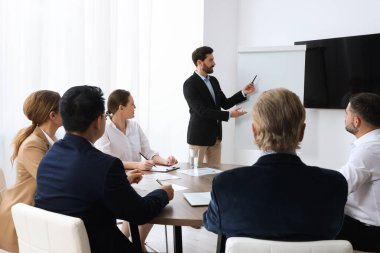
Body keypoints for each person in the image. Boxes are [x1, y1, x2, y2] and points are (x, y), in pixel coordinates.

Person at [34, 86, 174, 253]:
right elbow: (141, 213)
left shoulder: (48, 158)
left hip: (56, 246)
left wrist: (121, 182)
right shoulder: (105, 166)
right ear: (99, 121)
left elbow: (80, 189)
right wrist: (164, 193)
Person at [203, 88, 348, 241]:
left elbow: (211, 223)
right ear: (302, 132)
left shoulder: (226, 184)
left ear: (254, 131)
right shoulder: (334, 184)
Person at [95, 89, 177, 250]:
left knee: (158, 195)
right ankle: (137, 243)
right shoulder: (104, 129)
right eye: (132, 104)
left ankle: (131, 240)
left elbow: (148, 152)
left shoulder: (134, 126)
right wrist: (137, 165)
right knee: (152, 201)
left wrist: (165, 161)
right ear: (121, 108)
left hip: (140, 178)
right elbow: (108, 160)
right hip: (120, 180)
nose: (135, 107)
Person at [0, 90, 61, 252]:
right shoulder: (32, 144)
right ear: (52, 115)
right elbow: (52, 181)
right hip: (20, 217)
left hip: (36, 212)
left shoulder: (53, 140)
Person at [183, 46, 255, 165]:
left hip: (215, 138)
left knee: (214, 175)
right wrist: (230, 115)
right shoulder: (189, 84)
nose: (214, 63)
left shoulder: (214, 81)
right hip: (198, 139)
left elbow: (225, 103)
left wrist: (243, 93)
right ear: (200, 62)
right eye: (210, 60)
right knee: (195, 176)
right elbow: (202, 111)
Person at [336, 92, 380, 252]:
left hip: (369, 232)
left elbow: (339, 186)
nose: (344, 117)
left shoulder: (369, 149)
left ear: (356, 121)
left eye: (346, 113)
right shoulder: (373, 144)